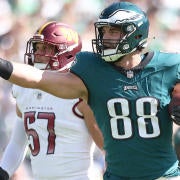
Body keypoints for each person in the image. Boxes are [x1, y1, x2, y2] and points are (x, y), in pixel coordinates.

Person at [0, 1, 179, 179]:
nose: (105, 37)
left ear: (135, 33)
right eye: (103, 31)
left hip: (162, 174)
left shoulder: (168, 65)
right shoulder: (93, 69)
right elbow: (38, 79)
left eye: (113, 31)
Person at [0, 21, 103, 180]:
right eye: (37, 48)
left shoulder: (80, 92)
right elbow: (17, 143)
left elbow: (106, 148)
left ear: (67, 53)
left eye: (46, 48)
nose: (39, 53)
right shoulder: (23, 89)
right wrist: (3, 172)